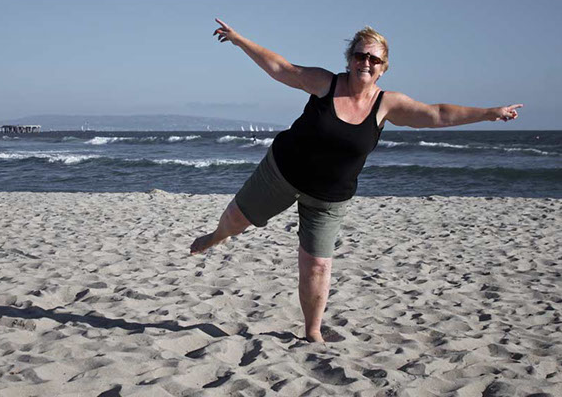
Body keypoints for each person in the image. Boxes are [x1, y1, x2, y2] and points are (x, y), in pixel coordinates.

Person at [190, 18, 522, 343]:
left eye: (373, 58)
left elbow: (437, 114)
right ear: (350, 59)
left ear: (383, 66)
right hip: (282, 171)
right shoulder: (326, 84)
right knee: (235, 220)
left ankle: (312, 331)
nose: (366, 62)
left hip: (329, 197)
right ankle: (216, 236)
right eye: (360, 56)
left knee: (318, 265)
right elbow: (281, 68)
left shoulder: (387, 104)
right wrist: (239, 40)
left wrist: (488, 113)